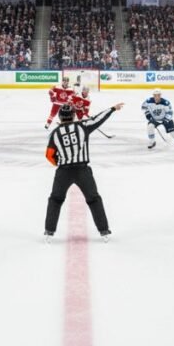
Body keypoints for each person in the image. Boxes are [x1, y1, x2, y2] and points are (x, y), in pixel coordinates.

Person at [44, 102, 124, 242]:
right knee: (94, 199)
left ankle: (49, 232)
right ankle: (104, 231)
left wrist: (61, 163)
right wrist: (112, 109)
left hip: (63, 172)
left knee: (55, 200)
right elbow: (98, 119)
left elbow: (49, 155)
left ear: (60, 116)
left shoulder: (55, 133)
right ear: (74, 115)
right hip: (83, 171)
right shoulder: (82, 126)